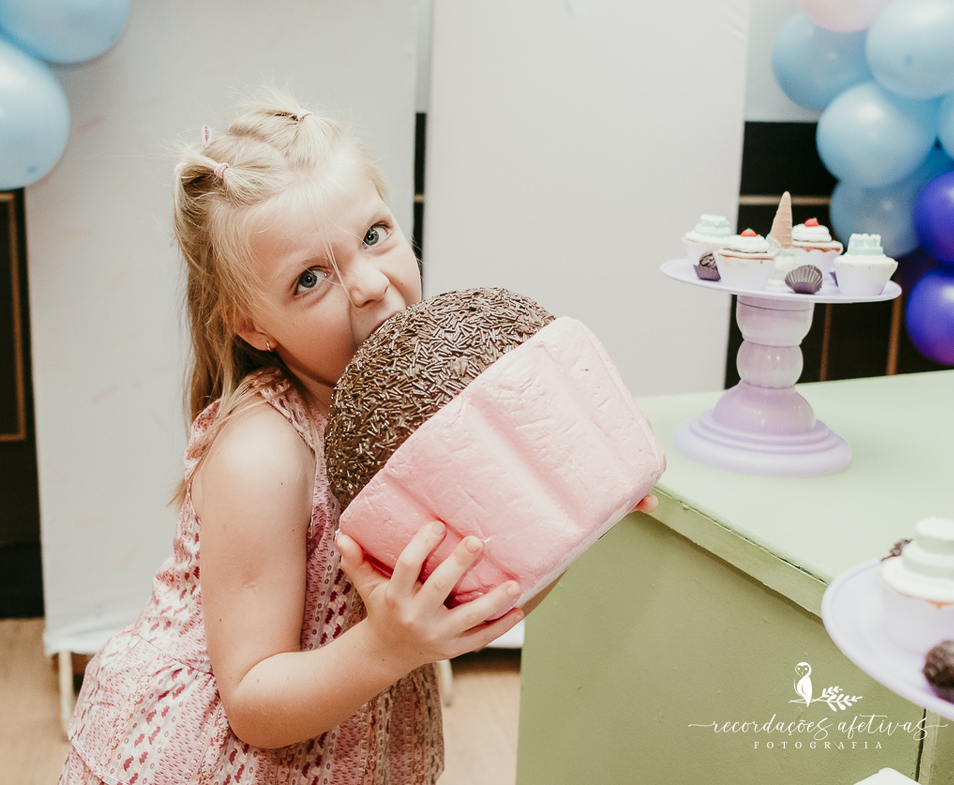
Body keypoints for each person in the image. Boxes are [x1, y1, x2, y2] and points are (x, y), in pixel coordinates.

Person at [59, 92, 657, 785]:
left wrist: (572, 522)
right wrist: (385, 647)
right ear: (252, 325)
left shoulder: (426, 417)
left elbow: (459, 612)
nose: (372, 286)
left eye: (375, 235)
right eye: (310, 279)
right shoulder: (263, 455)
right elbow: (251, 701)